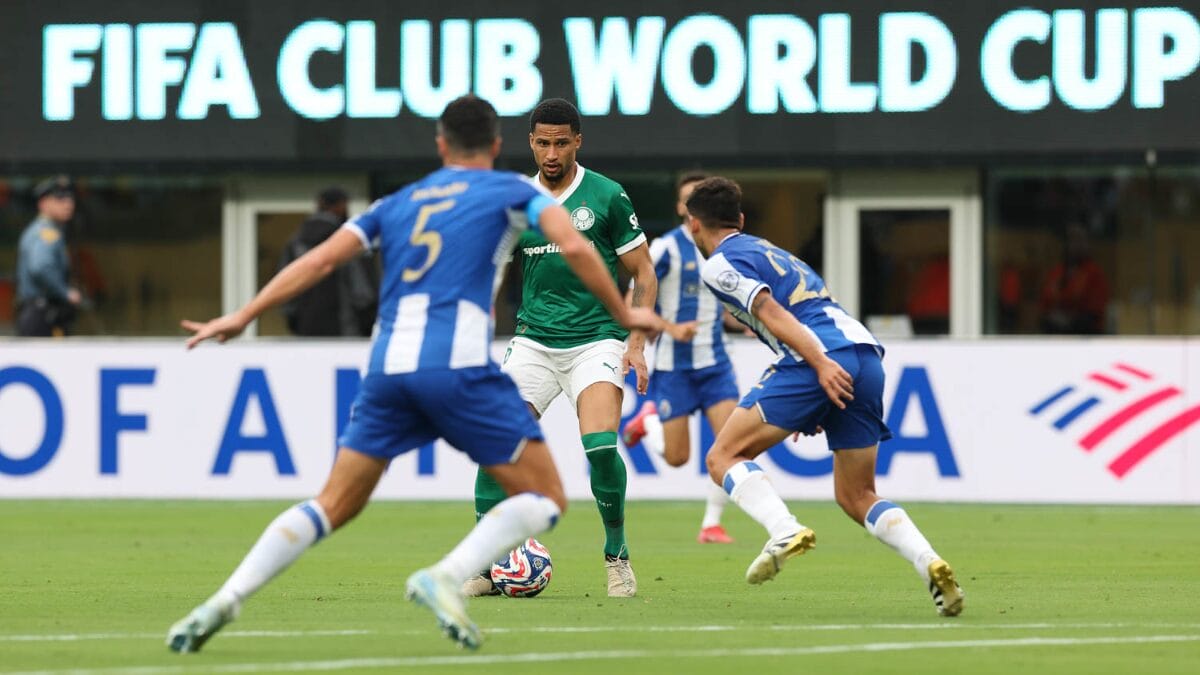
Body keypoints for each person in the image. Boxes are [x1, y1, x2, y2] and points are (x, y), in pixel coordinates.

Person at [165, 95, 659, 653]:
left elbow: (320, 259)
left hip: (388, 368)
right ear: (500, 145)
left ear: (440, 145)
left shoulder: (397, 202)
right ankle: (448, 574)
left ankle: (226, 598)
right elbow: (573, 244)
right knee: (546, 496)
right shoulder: (511, 192)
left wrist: (244, 315)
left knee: (331, 504)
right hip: (455, 366)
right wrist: (628, 317)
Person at [684, 177, 964, 617]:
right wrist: (818, 394)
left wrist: (818, 365)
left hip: (819, 355)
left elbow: (772, 312)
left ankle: (783, 529)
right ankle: (929, 562)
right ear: (740, 219)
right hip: (865, 355)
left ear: (693, 225)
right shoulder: (771, 251)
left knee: (723, 457)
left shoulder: (718, 264)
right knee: (857, 495)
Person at [466, 98, 658, 599]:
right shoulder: (518, 200)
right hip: (533, 340)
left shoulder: (606, 195)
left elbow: (643, 271)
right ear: (530, 143)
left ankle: (616, 556)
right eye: (543, 143)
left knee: (600, 446)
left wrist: (636, 343)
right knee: (496, 444)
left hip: (596, 339)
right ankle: (487, 567)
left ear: (578, 142)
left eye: (561, 143)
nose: (552, 154)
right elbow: (488, 269)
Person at [621, 171, 740, 544]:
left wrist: (748, 322)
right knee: (677, 458)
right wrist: (669, 329)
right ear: (680, 207)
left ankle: (711, 524)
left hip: (715, 363)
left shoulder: (723, 248)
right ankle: (648, 421)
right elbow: (631, 301)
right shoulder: (666, 248)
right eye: (690, 201)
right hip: (675, 366)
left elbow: (723, 304)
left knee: (731, 446)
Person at [278, 187, 378, 337]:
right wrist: (367, 320)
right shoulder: (347, 241)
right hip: (345, 328)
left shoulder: (296, 241)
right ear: (341, 205)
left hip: (305, 327)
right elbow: (362, 292)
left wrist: (293, 319)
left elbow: (285, 284)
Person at [15, 176, 81, 336]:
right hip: (42, 314)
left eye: (70, 198)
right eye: (60, 199)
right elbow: (41, 267)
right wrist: (64, 292)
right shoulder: (46, 232)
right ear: (43, 204)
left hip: (43, 312)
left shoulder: (50, 230)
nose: (68, 204)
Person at [1039, 222, 1109, 334]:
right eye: (1072, 239)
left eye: (1080, 239)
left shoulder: (1095, 274)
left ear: (1087, 243)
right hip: (1055, 334)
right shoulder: (1056, 273)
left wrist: (1069, 321)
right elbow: (1044, 306)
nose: (1076, 244)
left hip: (1084, 336)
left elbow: (1095, 313)